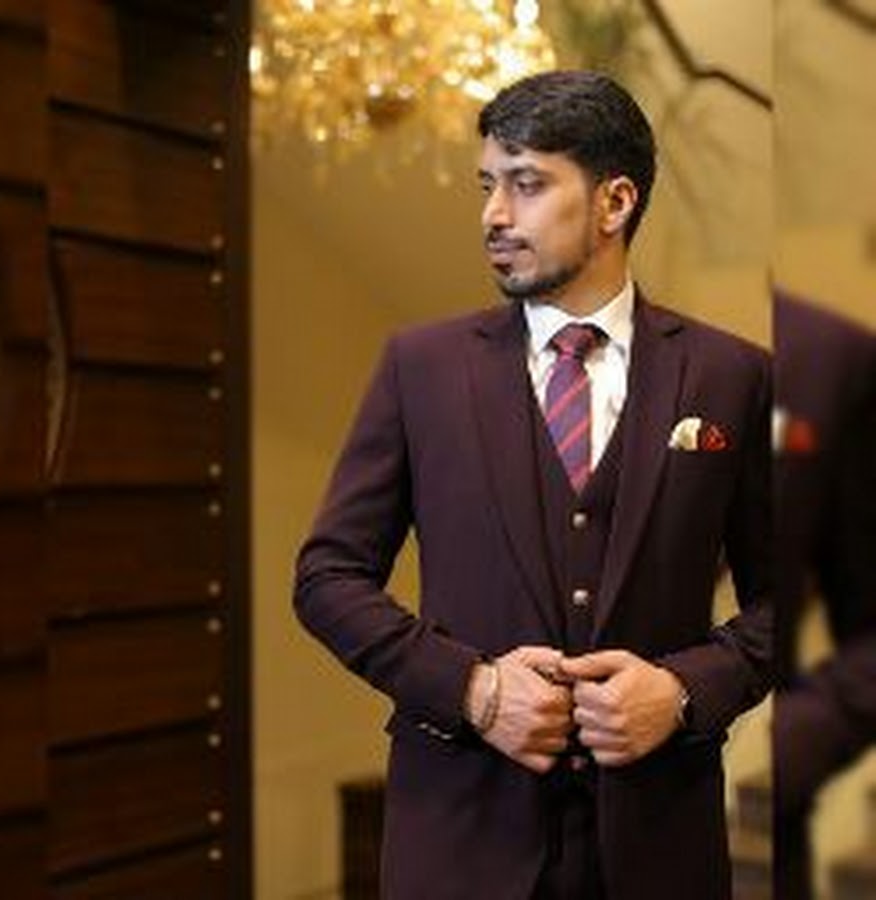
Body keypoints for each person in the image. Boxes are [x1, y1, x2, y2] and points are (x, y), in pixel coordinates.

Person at [294, 70, 772, 900]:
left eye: (526, 184)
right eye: (487, 185)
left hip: (660, 848)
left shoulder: (731, 375)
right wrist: (474, 689)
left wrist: (684, 692)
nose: (493, 215)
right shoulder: (420, 368)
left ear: (614, 202)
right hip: (459, 842)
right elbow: (326, 578)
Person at [772, 290, 876, 900]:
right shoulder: (482, 362)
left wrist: (806, 730)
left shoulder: (827, 362)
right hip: (508, 838)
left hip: (755, 837)